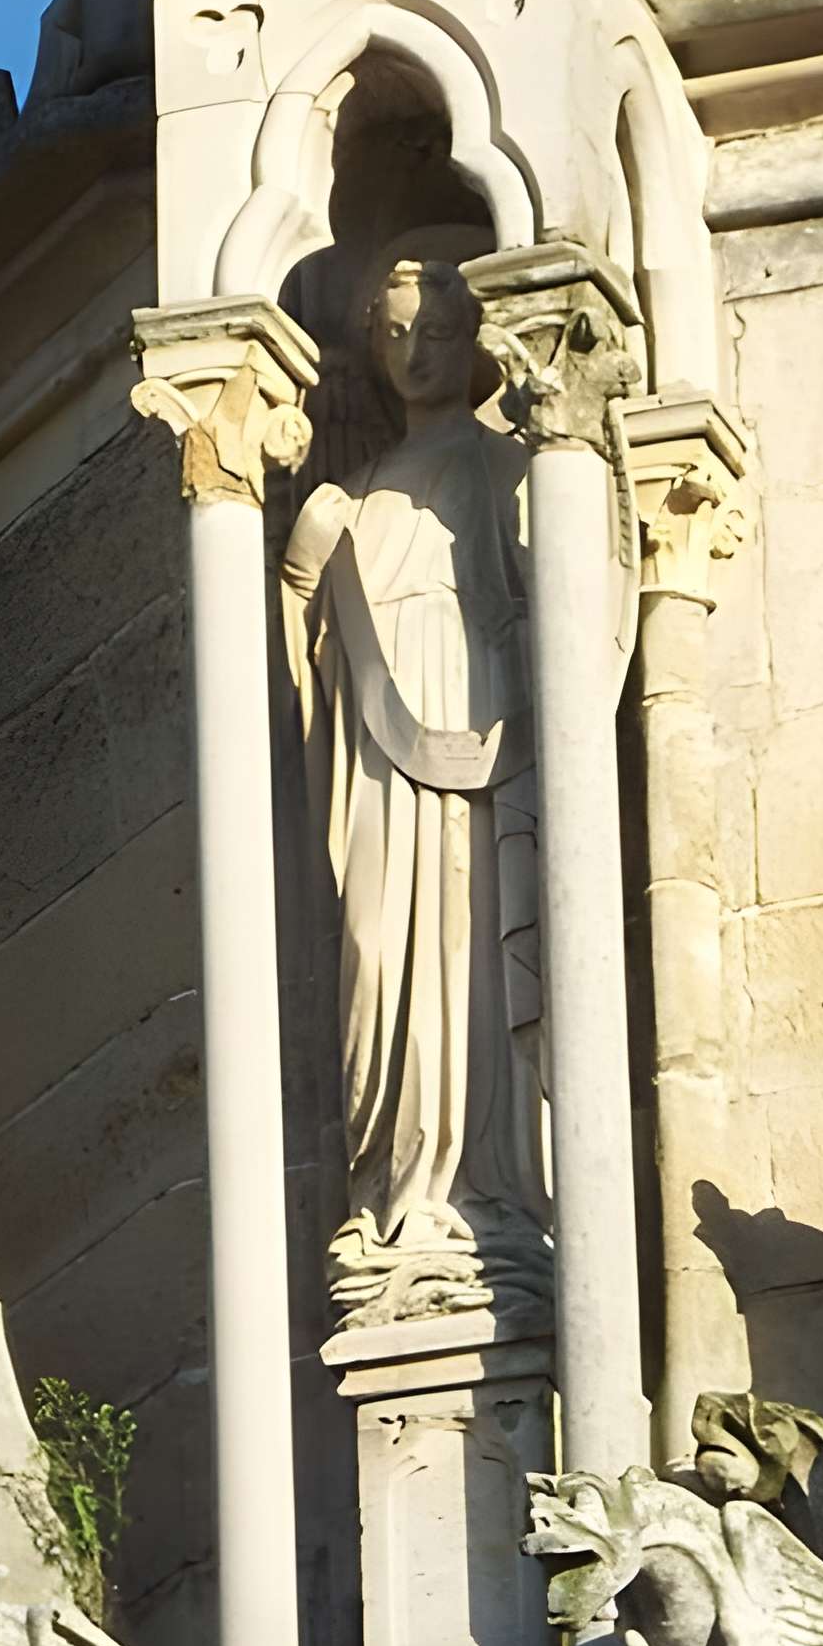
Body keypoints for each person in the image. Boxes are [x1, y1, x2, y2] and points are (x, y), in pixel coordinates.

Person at [281, 260, 551, 1325]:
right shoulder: (355, 498)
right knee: (379, 956)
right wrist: (305, 578)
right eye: (395, 332)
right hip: (384, 768)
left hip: (484, 740)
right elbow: (311, 660)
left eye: (439, 328)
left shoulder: (509, 469)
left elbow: (560, 606)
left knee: (472, 954)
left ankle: (490, 1187)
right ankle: (398, 1191)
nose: (417, 351)